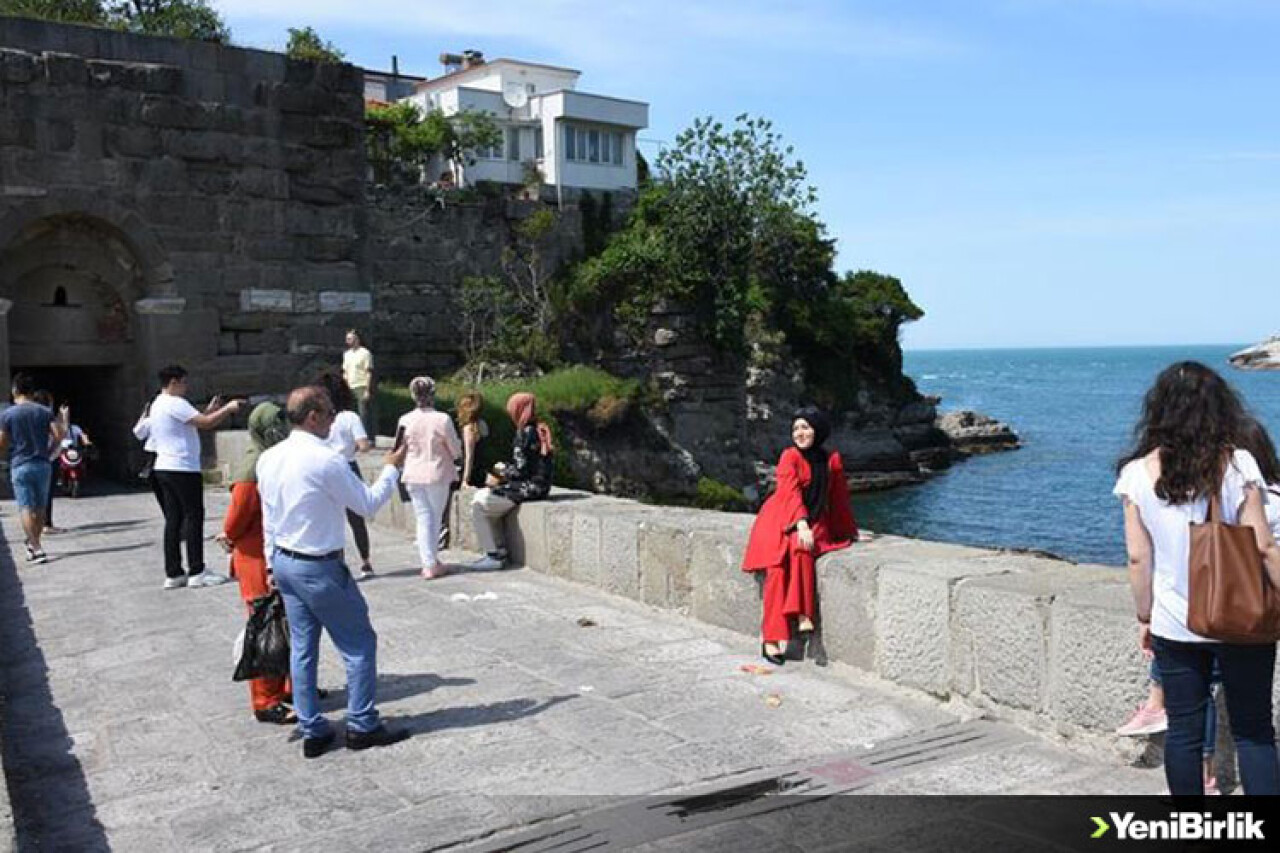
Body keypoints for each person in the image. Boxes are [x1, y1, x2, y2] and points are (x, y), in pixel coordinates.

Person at [1114, 361, 1280, 796]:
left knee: (1185, 733)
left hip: (1174, 621)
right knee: (1254, 731)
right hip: (1243, 616)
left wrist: (1144, 616)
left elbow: (1138, 558)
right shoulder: (1239, 463)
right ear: (1219, 408)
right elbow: (1263, 545)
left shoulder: (1135, 474)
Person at [256, 386, 410, 759]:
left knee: (304, 649)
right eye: (328, 414)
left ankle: (313, 729)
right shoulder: (326, 460)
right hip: (318, 564)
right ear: (312, 416)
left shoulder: (269, 458)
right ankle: (361, 723)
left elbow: (270, 518)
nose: (332, 421)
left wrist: (271, 562)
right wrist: (391, 468)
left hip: (286, 562)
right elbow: (367, 504)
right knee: (358, 644)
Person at [741, 407, 859, 665]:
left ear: (817, 430)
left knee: (801, 548)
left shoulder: (831, 460)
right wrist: (800, 523)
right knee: (776, 571)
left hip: (815, 521)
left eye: (805, 427)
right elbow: (790, 492)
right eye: (795, 428)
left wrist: (849, 531)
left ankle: (803, 614)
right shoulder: (789, 456)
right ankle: (772, 639)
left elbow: (839, 500)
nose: (800, 433)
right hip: (779, 518)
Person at [215, 402, 295, 725]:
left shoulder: (274, 458)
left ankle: (288, 686)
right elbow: (236, 518)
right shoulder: (252, 469)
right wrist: (228, 536)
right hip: (256, 559)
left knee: (287, 624)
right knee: (266, 626)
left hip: (275, 553)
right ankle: (265, 699)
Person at [149, 365, 243, 590]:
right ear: (173, 382)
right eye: (183, 382)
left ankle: (173, 572)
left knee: (174, 520)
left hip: (163, 466)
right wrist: (229, 409)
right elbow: (206, 424)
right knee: (193, 517)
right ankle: (197, 570)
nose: (186, 386)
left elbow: (197, 420)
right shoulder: (175, 403)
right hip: (182, 467)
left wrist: (210, 410)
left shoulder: (158, 404)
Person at [468, 392, 554, 571]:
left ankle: (494, 554)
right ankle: (497, 550)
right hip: (539, 486)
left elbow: (520, 471)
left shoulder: (525, 433)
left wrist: (500, 470)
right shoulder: (537, 428)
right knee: (483, 499)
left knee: (478, 505)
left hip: (527, 488)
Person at [397, 377, 462, 580]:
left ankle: (429, 561)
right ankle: (431, 563)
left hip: (412, 474)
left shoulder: (404, 419)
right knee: (434, 519)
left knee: (423, 518)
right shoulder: (443, 419)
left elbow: (398, 447)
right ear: (433, 394)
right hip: (437, 473)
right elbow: (455, 449)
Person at [316, 369, 375, 579]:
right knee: (356, 518)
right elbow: (364, 445)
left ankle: (336, 560)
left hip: (324, 467)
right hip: (348, 466)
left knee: (331, 517)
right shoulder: (350, 417)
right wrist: (351, 448)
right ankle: (365, 561)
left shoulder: (320, 419)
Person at [0, 374, 64, 563]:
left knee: (26, 506)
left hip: (20, 463)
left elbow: (2, 442)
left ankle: (36, 547)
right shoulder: (44, 412)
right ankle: (33, 543)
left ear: (15, 391)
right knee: (40, 506)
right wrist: (49, 451)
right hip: (43, 464)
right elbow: (59, 435)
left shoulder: (8, 414)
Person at [438, 390, 488, 550]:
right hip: (482, 470)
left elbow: (469, 456)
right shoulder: (482, 424)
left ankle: (441, 534)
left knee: (443, 488)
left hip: (472, 473)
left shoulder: (468, 428)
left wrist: (465, 479)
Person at [31, 390, 62, 535]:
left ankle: (36, 525)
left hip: (30, 459)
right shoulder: (47, 416)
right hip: (48, 459)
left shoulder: (30, 417)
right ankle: (45, 524)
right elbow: (59, 436)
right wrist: (64, 418)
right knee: (46, 493)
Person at [342, 330, 376, 438]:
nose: (348, 341)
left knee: (363, 414)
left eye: (350, 338)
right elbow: (345, 371)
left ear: (357, 339)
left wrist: (367, 389)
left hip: (361, 385)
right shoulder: (346, 354)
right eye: (347, 339)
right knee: (351, 413)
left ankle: (367, 437)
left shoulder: (365, 353)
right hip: (349, 385)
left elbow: (368, 372)